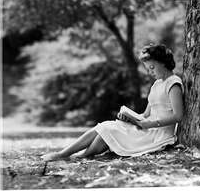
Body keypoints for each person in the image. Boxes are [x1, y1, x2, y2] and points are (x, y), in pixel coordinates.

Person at [41, 44, 184, 161]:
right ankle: (67, 154)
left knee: (108, 132)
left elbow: (178, 116)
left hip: (158, 135)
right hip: (147, 127)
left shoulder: (173, 83)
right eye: (147, 69)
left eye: (152, 67)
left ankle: (77, 155)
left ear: (163, 62)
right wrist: (131, 118)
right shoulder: (156, 84)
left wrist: (150, 124)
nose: (150, 72)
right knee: (106, 127)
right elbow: (146, 114)